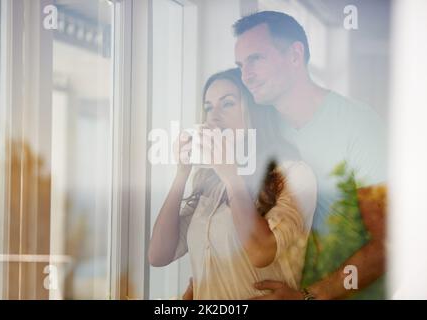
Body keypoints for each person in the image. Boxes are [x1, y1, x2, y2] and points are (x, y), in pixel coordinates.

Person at [233, 11, 387, 299]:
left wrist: (309, 296)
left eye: (256, 59)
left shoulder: (359, 123)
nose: (246, 75)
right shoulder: (256, 130)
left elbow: (387, 243)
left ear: (294, 54)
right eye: (240, 65)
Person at [148, 68, 317, 299]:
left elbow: (260, 252)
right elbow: (158, 255)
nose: (213, 117)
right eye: (208, 107)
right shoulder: (209, 181)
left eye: (227, 104)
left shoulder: (295, 175)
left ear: (255, 111)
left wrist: (231, 175)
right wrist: (182, 172)